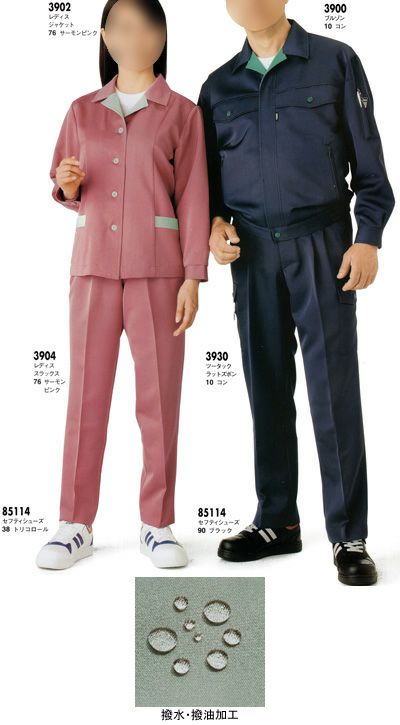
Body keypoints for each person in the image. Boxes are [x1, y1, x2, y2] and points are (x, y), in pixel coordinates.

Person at [197, 0, 395, 585]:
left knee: (333, 389)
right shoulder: (217, 87)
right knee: (266, 386)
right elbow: (206, 186)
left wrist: (368, 238)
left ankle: (349, 534)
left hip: (323, 244)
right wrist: (214, 225)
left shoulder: (335, 61)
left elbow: (372, 169)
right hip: (253, 253)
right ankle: (277, 521)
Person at [36, 0, 210, 570]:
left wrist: (193, 277)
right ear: (106, 37)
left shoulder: (182, 113)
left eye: (148, 26)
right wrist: (67, 184)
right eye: (124, 27)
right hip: (92, 267)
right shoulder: (81, 111)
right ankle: (74, 523)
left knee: (159, 399)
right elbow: (66, 184)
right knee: (85, 396)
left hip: (159, 269)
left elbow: (193, 197)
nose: (136, 37)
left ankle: (157, 524)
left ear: (163, 36)